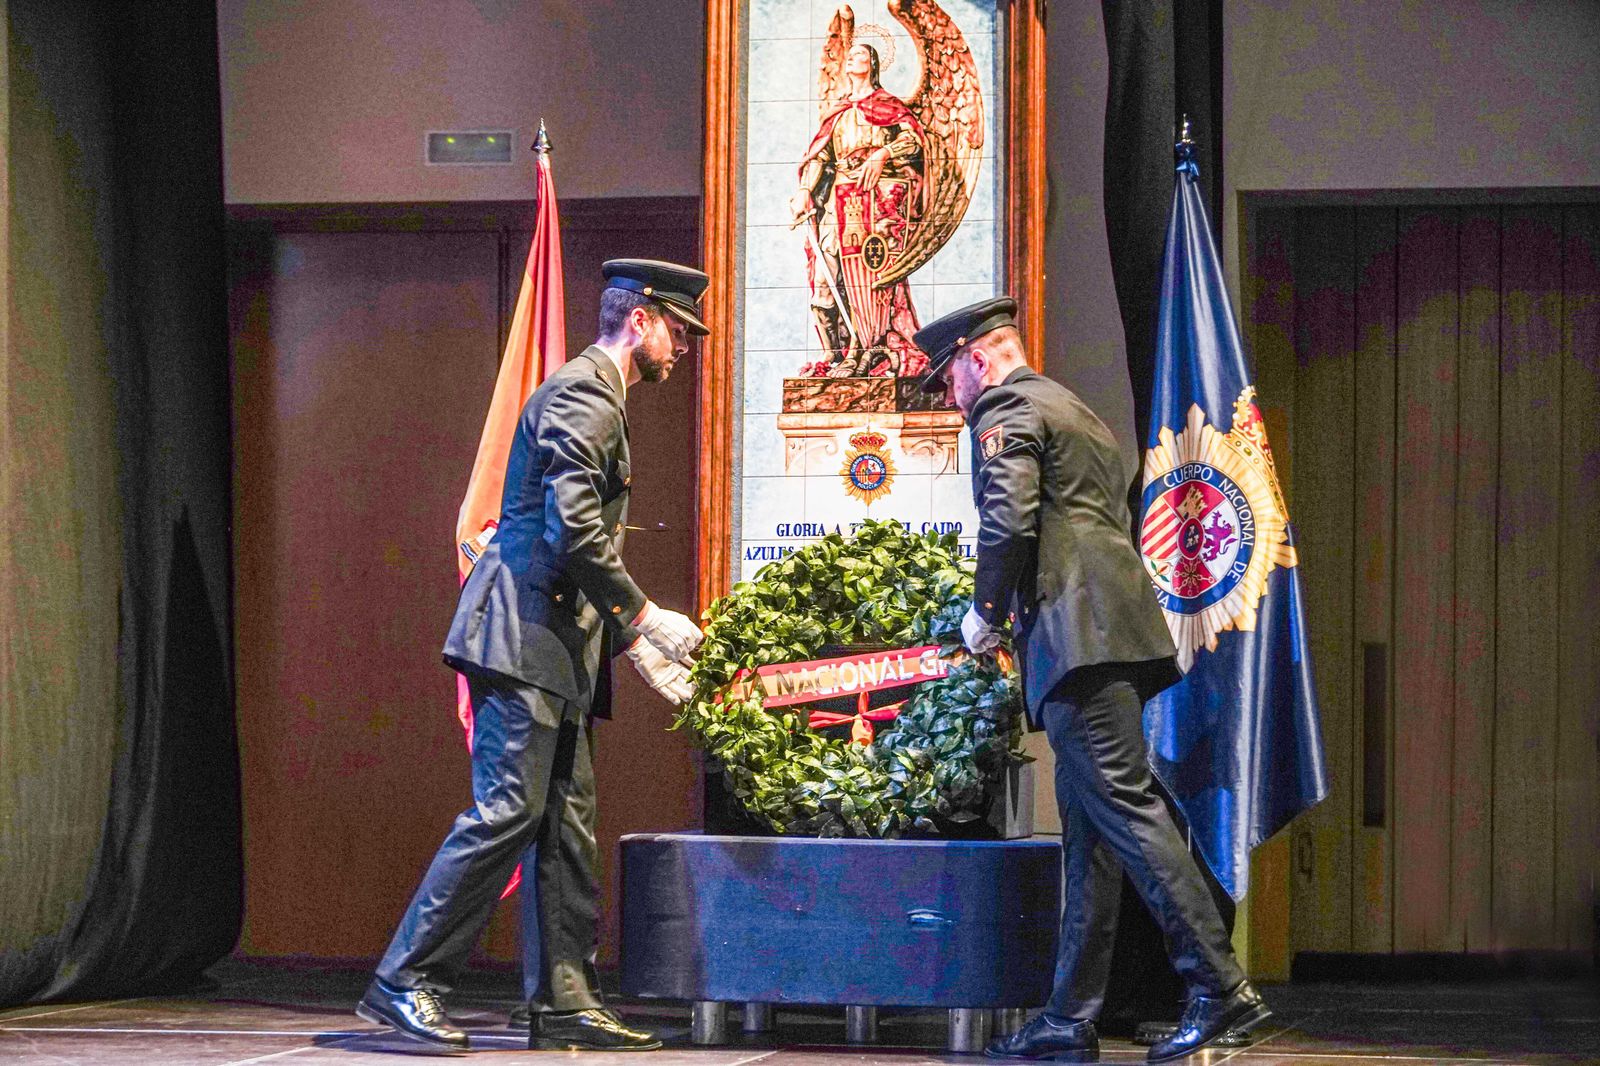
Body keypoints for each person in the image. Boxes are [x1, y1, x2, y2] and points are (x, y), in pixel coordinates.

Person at [357, 259, 711, 1053]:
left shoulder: (601, 396)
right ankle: (404, 981)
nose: (683, 349)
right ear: (643, 319)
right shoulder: (585, 392)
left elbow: (575, 543)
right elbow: (573, 530)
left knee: (565, 825)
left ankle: (564, 1000)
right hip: (520, 638)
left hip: (554, 645)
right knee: (506, 812)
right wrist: (646, 617)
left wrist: (622, 639)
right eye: (680, 332)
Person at [913, 298, 1269, 1064]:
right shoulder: (1070, 405)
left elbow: (1009, 521)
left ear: (978, 357)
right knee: (1092, 836)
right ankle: (1068, 1017)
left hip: (1078, 637)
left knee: (1129, 814)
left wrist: (983, 612)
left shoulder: (1005, 406)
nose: (952, 396)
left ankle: (1220, 987)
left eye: (949, 379)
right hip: (1113, 631)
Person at [789, 40, 927, 378]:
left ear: (874, 65)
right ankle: (833, 354)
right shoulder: (837, 111)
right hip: (837, 202)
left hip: (875, 207)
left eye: (861, 55)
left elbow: (914, 141)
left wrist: (883, 154)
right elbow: (821, 156)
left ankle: (860, 352)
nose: (853, 58)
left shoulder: (888, 106)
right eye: (850, 55)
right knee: (824, 282)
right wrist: (805, 191)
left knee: (861, 283)